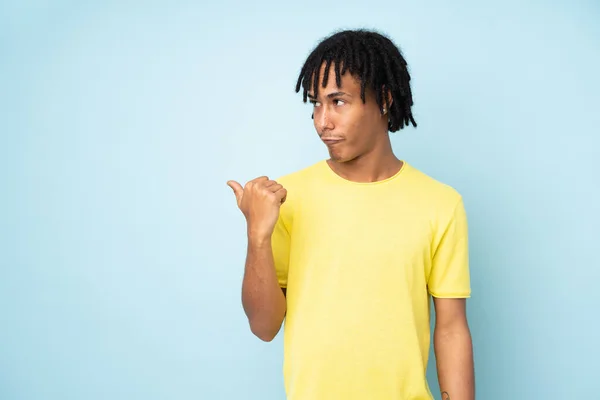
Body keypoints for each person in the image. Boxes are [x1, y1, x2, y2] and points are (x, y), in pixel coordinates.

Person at [227, 29, 474, 400]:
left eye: (338, 102)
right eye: (315, 104)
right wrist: (257, 236)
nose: (322, 121)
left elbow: (452, 329)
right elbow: (264, 326)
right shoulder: (286, 198)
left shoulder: (440, 203)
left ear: (385, 99)